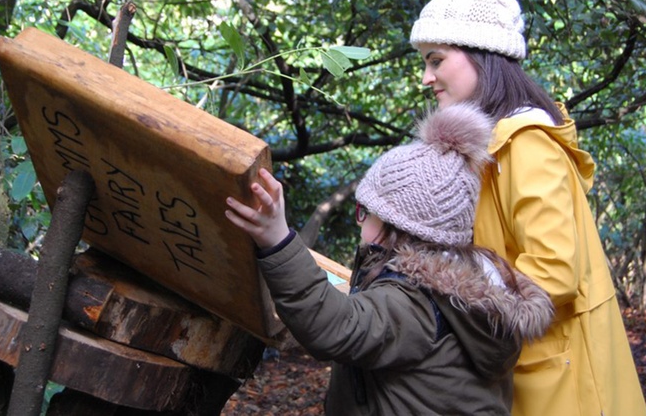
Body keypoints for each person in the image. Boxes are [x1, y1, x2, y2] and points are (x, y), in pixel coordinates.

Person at [408, 0, 646, 415]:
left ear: (482, 54)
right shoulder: (493, 143)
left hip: (566, 385)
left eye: (435, 59)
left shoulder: (525, 142)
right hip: (522, 372)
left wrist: (447, 296)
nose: (426, 76)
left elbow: (553, 272)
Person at [226, 102, 554, 415]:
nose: (359, 221)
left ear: (399, 229)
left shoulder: (415, 301)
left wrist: (277, 240)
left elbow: (333, 326)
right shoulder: (465, 285)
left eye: (365, 213)